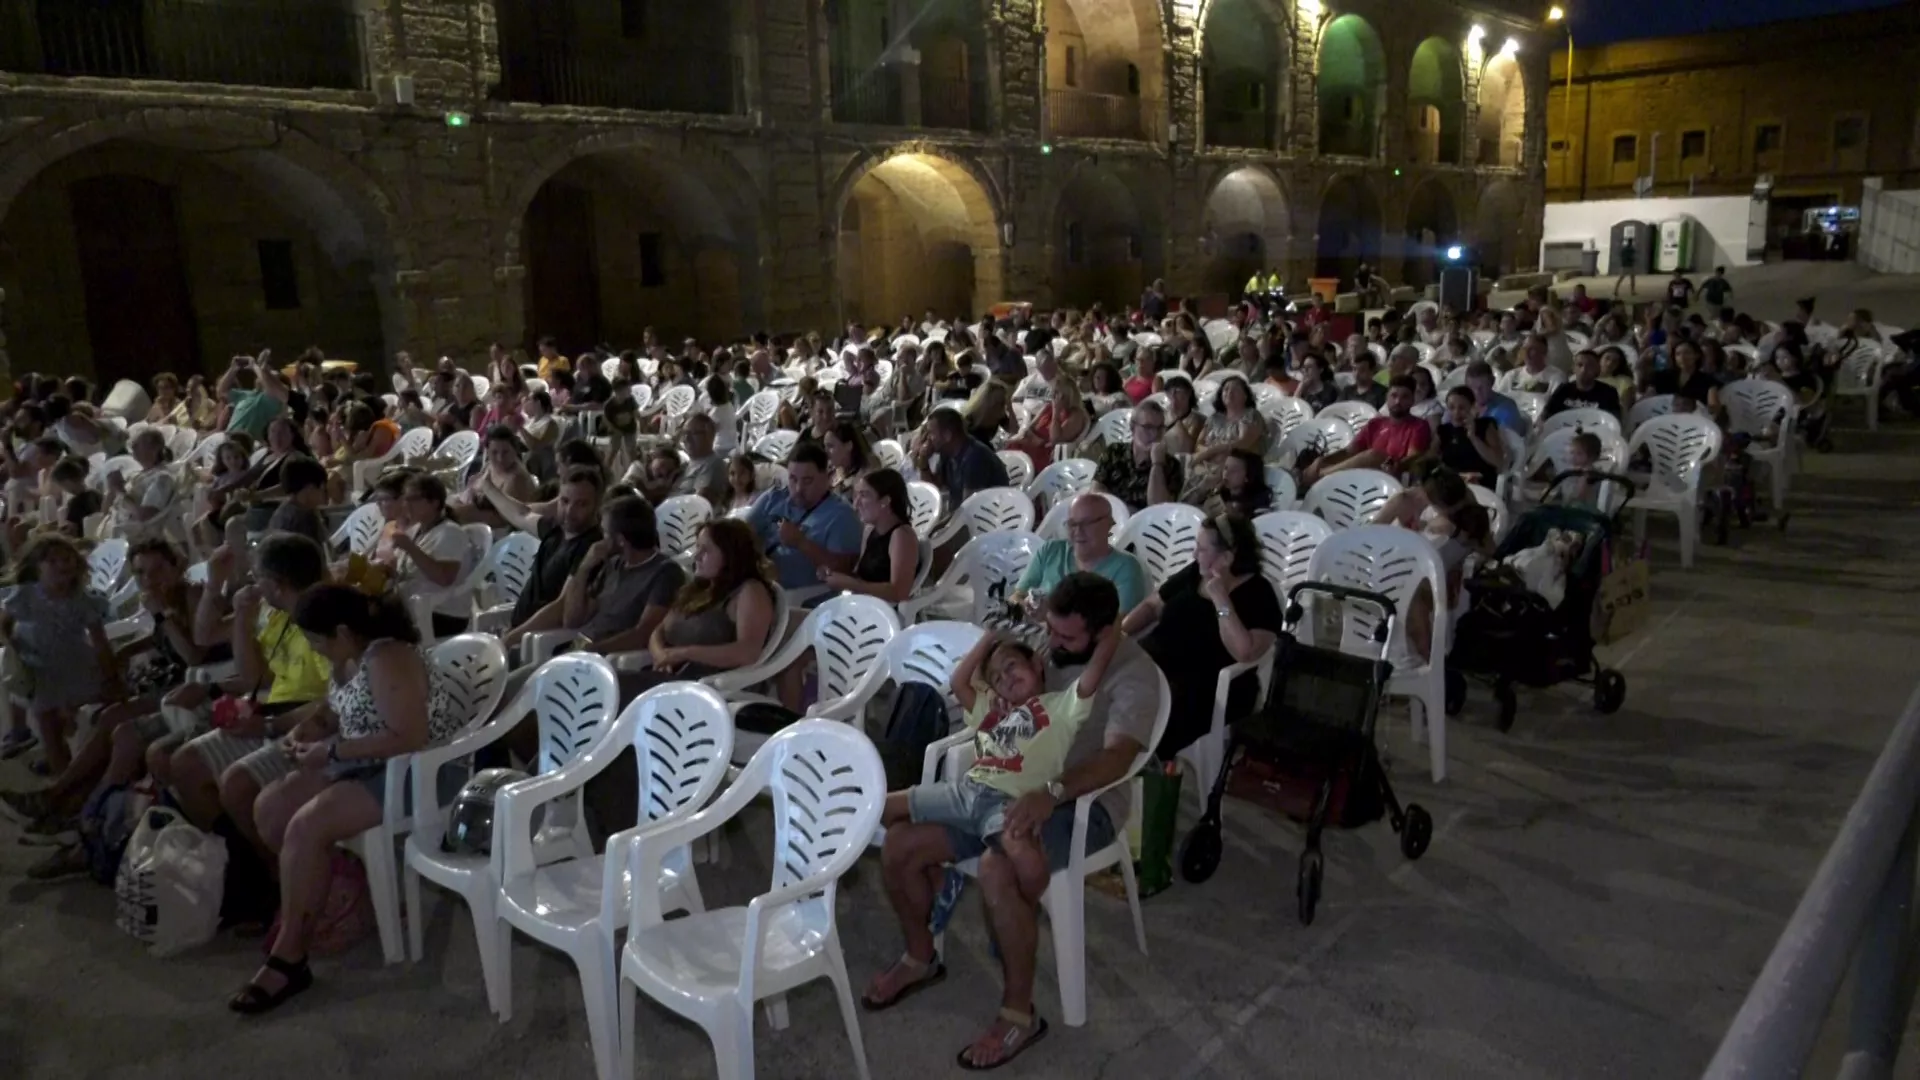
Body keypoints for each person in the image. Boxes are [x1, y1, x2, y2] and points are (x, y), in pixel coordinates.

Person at [865, 573, 1158, 1068]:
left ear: (1105, 632)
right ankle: (921, 956)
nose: (1054, 645)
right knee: (900, 845)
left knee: (1001, 870)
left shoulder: (1133, 673)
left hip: (1082, 804)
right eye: (1052, 632)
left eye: (1067, 638)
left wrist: (1053, 792)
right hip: (996, 792)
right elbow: (986, 687)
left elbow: (1117, 760)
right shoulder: (1044, 648)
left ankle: (1018, 1015)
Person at [228, 585, 463, 1014]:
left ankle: (289, 956)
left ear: (342, 631)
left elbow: (410, 736)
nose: (316, 650)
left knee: (304, 826)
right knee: (270, 808)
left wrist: (331, 751)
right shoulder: (350, 657)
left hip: (420, 770)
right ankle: (338, 889)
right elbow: (338, 709)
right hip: (373, 762)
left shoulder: (389, 658)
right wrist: (309, 729)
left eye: (318, 641)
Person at [169, 533, 333, 859]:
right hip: (273, 707)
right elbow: (249, 675)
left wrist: (269, 725)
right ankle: (241, 862)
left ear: (274, 584)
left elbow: (335, 701)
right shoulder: (273, 613)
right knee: (184, 764)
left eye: (257, 577)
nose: (251, 583)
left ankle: (271, 871)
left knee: (237, 785)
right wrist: (240, 618)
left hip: (307, 720)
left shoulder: (322, 621)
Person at [1124, 513, 1280, 759]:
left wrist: (1220, 596)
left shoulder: (1260, 594)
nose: (1194, 555)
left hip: (1206, 687)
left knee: (1140, 708)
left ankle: (1130, 767)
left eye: (1201, 549)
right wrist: (1120, 634)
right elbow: (1152, 605)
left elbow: (1244, 651)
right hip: (1155, 665)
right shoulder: (1194, 573)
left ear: (1227, 558)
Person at [0, 534, 120, 777]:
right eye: (52, 561)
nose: (61, 565)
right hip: (40, 669)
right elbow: (5, 624)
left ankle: (79, 764)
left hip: (74, 665)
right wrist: (13, 647)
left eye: (67, 559)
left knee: (75, 718)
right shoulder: (26, 596)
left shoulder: (83, 600)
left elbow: (99, 640)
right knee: (47, 723)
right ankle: (61, 773)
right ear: (37, 567)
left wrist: (111, 676)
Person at [620, 518, 777, 702]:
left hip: (707, 690)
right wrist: (662, 655)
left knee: (610, 688)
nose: (696, 556)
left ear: (730, 554)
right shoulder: (698, 589)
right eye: (697, 547)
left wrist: (684, 653)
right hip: (668, 681)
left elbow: (748, 652)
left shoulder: (749, 591)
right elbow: (659, 631)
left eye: (706, 550)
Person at [487, 467, 605, 653]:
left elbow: (560, 608)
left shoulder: (591, 547)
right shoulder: (556, 530)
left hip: (543, 646)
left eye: (581, 504)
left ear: (597, 505)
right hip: (519, 635)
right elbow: (520, 514)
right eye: (565, 501)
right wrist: (488, 487)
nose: (570, 511)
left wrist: (510, 639)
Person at [744, 441, 862, 593]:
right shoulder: (774, 498)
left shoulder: (841, 515)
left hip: (802, 597)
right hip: (760, 587)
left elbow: (844, 571)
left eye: (807, 481)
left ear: (827, 478)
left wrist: (802, 543)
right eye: (793, 479)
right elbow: (740, 535)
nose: (799, 489)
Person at [378, 473, 481, 638]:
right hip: (409, 606)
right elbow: (404, 571)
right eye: (406, 499)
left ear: (434, 502)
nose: (407, 505)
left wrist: (410, 548)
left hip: (440, 612)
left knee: (368, 623)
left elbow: (444, 578)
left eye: (414, 499)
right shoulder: (415, 530)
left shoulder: (450, 532)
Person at [1010, 494, 1149, 614]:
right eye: (1072, 524)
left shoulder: (1126, 569)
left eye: (1087, 523)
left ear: (1109, 524)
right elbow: (1016, 597)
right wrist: (1026, 608)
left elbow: (1116, 629)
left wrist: (1050, 617)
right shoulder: (1051, 551)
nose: (1078, 531)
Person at [1303, 377, 1434, 484]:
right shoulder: (1376, 424)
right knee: (1315, 461)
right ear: (1387, 398)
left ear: (1412, 401)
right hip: (1359, 476)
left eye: (1404, 397)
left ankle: (1320, 476)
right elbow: (1348, 452)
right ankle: (1306, 476)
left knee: (1374, 456)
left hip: (1392, 478)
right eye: (1394, 396)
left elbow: (1413, 457)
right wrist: (1320, 461)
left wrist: (1395, 465)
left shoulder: (1419, 426)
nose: (1398, 401)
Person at [818, 468, 919, 605]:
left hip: (880, 613)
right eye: (857, 496)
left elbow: (899, 592)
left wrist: (853, 585)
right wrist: (833, 574)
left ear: (885, 501)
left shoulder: (902, 536)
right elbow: (859, 575)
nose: (856, 504)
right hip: (860, 603)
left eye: (864, 495)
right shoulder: (870, 530)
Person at [1182, 374, 1267, 504]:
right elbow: (1199, 444)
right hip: (1207, 462)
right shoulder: (1214, 418)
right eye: (1226, 389)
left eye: (1235, 389)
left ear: (1245, 396)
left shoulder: (1251, 415)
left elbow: (1244, 443)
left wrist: (1211, 451)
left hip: (1234, 467)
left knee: (1208, 477)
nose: (1229, 393)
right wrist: (1209, 453)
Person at [912, 407, 1010, 510]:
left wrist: (943, 525)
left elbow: (969, 509)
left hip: (991, 517)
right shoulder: (947, 452)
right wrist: (923, 462)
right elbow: (933, 490)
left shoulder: (975, 458)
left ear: (947, 435)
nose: (928, 438)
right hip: (966, 514)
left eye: (931, 433)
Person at [1092, 398, 1181, 511]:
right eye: (1148, 427)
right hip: (1112, 519)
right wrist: (1124, 511)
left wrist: (1157, 464)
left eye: (1160, 428)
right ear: (1132, 427)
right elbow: (1096, 493)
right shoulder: (1114, 452)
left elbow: (1159, 509)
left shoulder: (1171, 465)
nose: (1154, 434)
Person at [451, 425, 539, 529]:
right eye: (494, 452)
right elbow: (475, 482)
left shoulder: (516, 479)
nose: (500, 458)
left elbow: (507, 520)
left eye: (505, 452)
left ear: (515, 450)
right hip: (481, 510)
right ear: (487, 451)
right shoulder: (491, 465)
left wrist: (465, 511)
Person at [1431, 386, 1508, 485]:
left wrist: (1473, 437)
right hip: (1453, 482)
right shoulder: (1444, 430)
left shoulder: (1485, 425)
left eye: (1462, 408)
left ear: (1472, 407)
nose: (1456, 413)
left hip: (1480, 482)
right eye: (1451, 407)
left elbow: (1498, 462)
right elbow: (1431, 457)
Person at [264, 456, 332, 550]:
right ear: (309, 489)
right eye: (322, 488)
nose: (325, 493)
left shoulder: (281, 512)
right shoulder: (305, 518)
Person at [220, 352, 289, 440]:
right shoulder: (244, 394)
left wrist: (255, 366)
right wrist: (232, 369)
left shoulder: (275, 400)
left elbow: (269, 385)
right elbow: (221, 390)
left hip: (248, 444)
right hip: (228, 439)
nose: (263, 375)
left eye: (271, 375)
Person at [1545, 349, 1625, 419]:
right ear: (1573, 368)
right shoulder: (1563, 390)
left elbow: (1614, 421)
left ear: (1597, 369)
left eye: (1590, 366)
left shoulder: (1609, 393)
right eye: (1580, 365)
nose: (1583, 370)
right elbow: (1545, 416)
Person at [1205, 448, 1276, 518]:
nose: (1226, 473)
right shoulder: (1222, 493)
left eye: (1233, 471)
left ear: (1248, 476)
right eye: (1226, 468)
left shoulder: (1257, 507)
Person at [1464, 360, 1529, 436]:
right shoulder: (1462, 407)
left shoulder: (1507, 410)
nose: (1477, 393)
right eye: (1472, 387)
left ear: (1492, 382)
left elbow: (1512, 445)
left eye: (1481, 387)